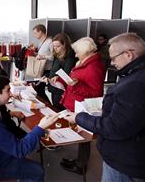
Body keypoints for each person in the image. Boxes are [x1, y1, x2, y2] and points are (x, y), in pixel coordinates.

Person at [64, 33, 145, 181]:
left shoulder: (135, 83)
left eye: (114, 58)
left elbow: (115, 126)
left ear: (128, 54)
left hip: (125, 162)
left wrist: (79, 117)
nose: (112, 63)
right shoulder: (135, 76)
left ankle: (81, 163)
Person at [0, 75, 59, 181]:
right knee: (38, 171)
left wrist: (10, 112)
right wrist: (40, 127)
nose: (11, 94)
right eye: (8, 91)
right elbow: (19, 150)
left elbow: (1, 115)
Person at [58, 37, 106, 175]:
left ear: (85, 51)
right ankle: (79, 161)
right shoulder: (84, 62)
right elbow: (78, 79)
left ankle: (81, 166)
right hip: (77, 103)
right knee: (81, 134)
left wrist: (76, 85)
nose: (75, 54)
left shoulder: (93, 67)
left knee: (84, 136)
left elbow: (95, 93)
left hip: (83, 106)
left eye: (77, 52)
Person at [46, 33, 77, 110]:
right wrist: (47, 76)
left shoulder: (70, 57)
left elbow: (67, 74)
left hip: (62, 90)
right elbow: (54, 70)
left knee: (59, 109)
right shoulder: (57, 55)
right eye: (54, 46)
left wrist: (57, 77)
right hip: (54, 87)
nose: (55, 48)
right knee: (55, 107)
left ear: (65, 45)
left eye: (58, 46)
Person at [32, 24, 54, 102]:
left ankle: (48, 106)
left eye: (35, 33)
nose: (34, 35)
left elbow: (53, 57)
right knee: (38, 89)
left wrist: (43, 56)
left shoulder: (50, 42)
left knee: (39, 90)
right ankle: (46, 105)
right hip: (41, 69)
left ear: (40, 32)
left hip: (47, 70)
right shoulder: (41, 42)